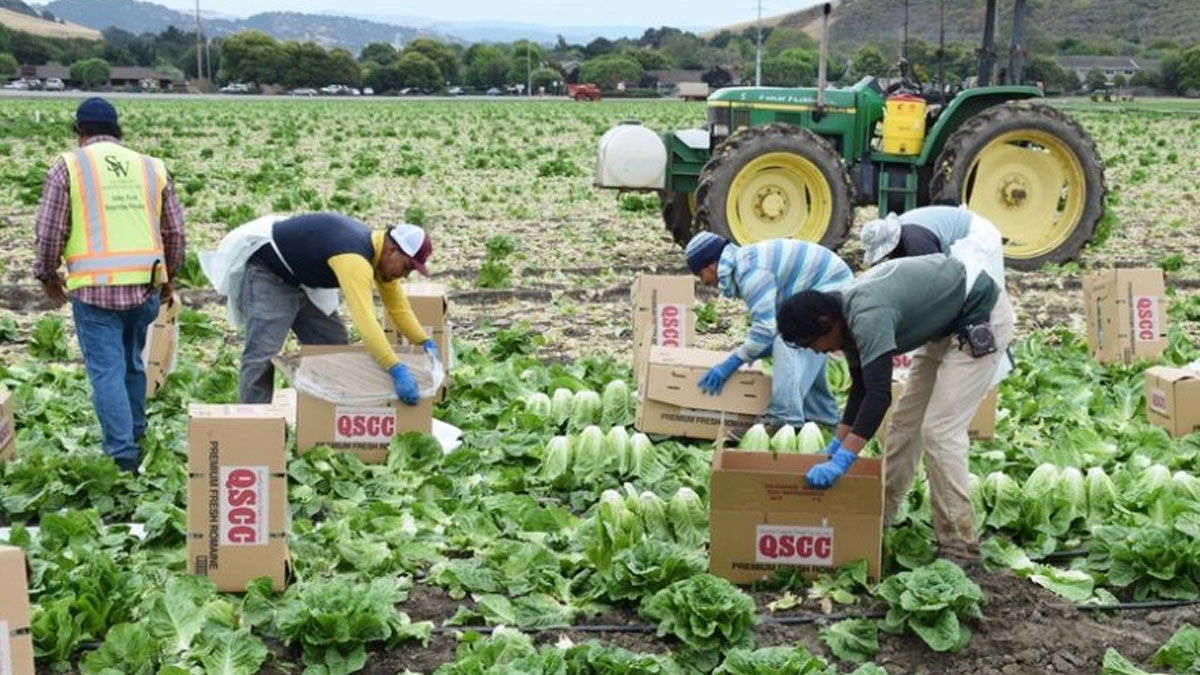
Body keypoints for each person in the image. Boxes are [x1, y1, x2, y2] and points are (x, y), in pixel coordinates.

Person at [777, 254, 1014, 563]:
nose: (818, 352)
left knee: (939, 431)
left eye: (814, 344)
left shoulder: (866, 315)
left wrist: (844, 460)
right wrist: (836, 445)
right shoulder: (843, 322)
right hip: (943, 327)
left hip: (979, 315)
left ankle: (959, 542)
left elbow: (878, 396)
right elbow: (861, 387)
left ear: (826, 323)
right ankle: (879, 518)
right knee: (903, 426)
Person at [33, 97, 186, 473]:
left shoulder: (69, 166)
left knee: (107, 371)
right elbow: (176, 231)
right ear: (117, 129)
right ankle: (135, 433)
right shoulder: (151, 167)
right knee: (133, 363)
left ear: (79, 131)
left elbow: (50, 231)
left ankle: (122, 455)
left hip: (95, 291)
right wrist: (169, 278)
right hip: (144, 285)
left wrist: (47, 275)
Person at [207, 212, 438, 405]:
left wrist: (424, 342)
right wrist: (395, 367)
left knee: (334, 347)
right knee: (262, 355)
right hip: (271, 274)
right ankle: (253, 426)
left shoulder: (380, 258)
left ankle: (323, 420)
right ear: (392, 251)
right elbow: (366, 321)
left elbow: (398, 309)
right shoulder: (355, 259)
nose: (405, 275)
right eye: (407, 267)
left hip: (305, 281)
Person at [683, 231, 852, 434]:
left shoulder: (750, 272)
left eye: (701, 275)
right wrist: (755, 350)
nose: (704, 282)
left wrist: (734, 362)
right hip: (822, 289)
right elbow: (769, 325)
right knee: (805, 351)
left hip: (832, 291)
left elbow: (765, 329)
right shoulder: (744, 264)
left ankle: (782, 418)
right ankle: (824, 419)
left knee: (792, 339)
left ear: (711, 265)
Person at [859, 204, 1005, 288]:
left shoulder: (915, 240)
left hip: (978, 236)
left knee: (974, 289)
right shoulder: (903, 233)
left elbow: (937, 276)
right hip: (963, 237)